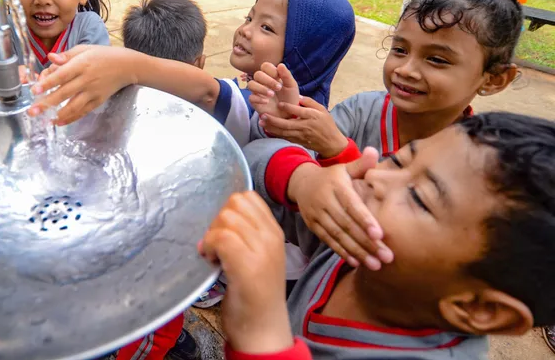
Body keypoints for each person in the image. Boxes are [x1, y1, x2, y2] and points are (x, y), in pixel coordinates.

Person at [203, 112, 555, 360]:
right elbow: (251, 157)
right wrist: (304, 180)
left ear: (479, 308)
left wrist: (263, 338)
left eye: (419, 198)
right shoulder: (352, 242)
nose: (377, 178)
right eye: (400, 160)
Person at [248, 0, 523, 269]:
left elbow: (396, 249)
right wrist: (285, 126)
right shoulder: (363, 109)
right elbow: (258, 156)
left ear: (494, 79)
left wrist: (338, 153)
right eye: (400, 50)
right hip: (310, 278)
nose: (406, 69)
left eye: (437, 59)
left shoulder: (475, 164)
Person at [30, 0, 356, 149]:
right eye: (249, 17)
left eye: (266, 27)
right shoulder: (255, 98)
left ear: (305, 50)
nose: (244, 30)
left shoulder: (298, 123)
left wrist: (127, 65)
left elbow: (208, 91)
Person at [115, 0, 208, 360]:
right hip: (156, 276)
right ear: (199, 64)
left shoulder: (114, 103)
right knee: (152, 330)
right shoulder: (197, 128)